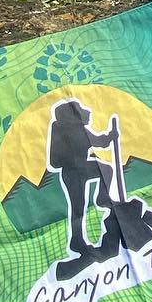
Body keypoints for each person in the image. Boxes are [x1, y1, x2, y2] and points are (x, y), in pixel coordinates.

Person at [46, 96, 116, 259]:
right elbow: (53, 161)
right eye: (80, 111)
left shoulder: (80, 128)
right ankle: (76, 241)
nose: (87, 112)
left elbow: (99, 141)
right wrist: (72, 159)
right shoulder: (59, 129)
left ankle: (102, 198)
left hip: (83, 167)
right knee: (78, 208)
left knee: (106, 168)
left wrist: (111, 135)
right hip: (71, 173)